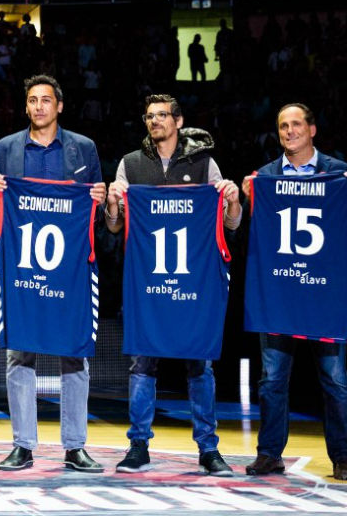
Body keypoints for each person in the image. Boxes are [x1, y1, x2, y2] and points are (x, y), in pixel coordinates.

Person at [105, 94, 241, 476]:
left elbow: (231, 224)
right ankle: (138, 445)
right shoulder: (131, 164)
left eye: (162, 115)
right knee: (142, 364)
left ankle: (208, 450)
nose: (155, 122)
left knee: (200, 365)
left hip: (193, 284)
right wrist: (114, 203)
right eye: (150, 116)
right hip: (147, 284)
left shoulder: (203, 163)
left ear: (178, 121)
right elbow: (114, 226)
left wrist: (231, 200)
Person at [0, 74, 106, 473]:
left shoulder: (83, 149)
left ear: (60, 106)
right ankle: (23, 444)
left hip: (70, 270)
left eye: (46, 100)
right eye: (32, 100)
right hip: (23, 267)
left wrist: (101, 200)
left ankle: (75, 446)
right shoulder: (6, 149)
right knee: (20, 351)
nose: (39, 106)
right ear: (26, 107)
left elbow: (97, 215)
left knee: (74, 354)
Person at [241, 103, 347, 480]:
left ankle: (344, 457)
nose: (290, 132)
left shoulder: (338, 173)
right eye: (283, 126)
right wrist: (248, 196)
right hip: (280, 295)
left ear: (312, 129)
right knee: (272, 380)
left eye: (296, 124)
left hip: (325, 295)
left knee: (335, 380)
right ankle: (270, 453)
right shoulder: (265, 176)